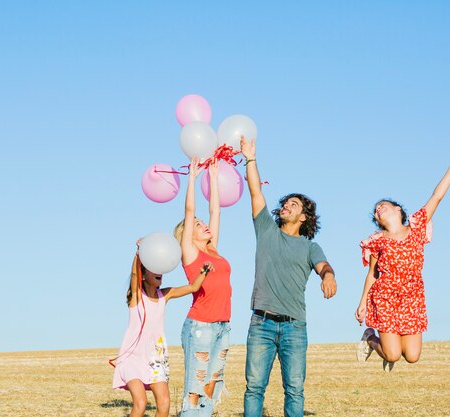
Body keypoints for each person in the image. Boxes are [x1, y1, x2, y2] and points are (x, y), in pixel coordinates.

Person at [239, 136, 337, 417]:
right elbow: (256, 191)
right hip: (261, 323)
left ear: (304, 217)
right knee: (255, 387)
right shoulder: (266, 230)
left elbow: (324, 266)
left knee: (294, 389)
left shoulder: (310, 246)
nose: (286, 206)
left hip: (295, 328)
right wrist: (250, 158)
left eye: (294, 205)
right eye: (285, 203)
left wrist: (328, 277)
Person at [355, 153, 450, 372]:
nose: (379, 209)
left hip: (412, 297)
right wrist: (362, 303)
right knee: (393, 354)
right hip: (385, 296)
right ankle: (370, 338)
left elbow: (437, 196)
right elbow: (372, 274)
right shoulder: (377, 241)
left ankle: (386, 346)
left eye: (383, 205)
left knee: (413, 356)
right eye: (376, 211)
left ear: (398, 210)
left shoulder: (417, 227)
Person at [112, 243, 214, 417]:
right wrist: (140, 252)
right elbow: (135, 273)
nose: (159, 270)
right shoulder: (137, 297)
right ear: (144, 276)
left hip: (155, 358)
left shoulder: (164, 295)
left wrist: (204, 271)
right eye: (153, 267)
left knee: (164, 404)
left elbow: (193, 288)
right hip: (132, 358)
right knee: (140, 403)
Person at [173, 157, 232, 416]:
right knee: (195, 389)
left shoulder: (214, 249)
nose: (204, 225)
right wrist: (193, 178)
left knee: (210, 386)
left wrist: (214, 179)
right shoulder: (190, 254)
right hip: (200, 326)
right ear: (188, 233)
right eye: (198, 225)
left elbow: (216, 211)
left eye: (202, 223)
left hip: (222, 326)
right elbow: (189, 211)